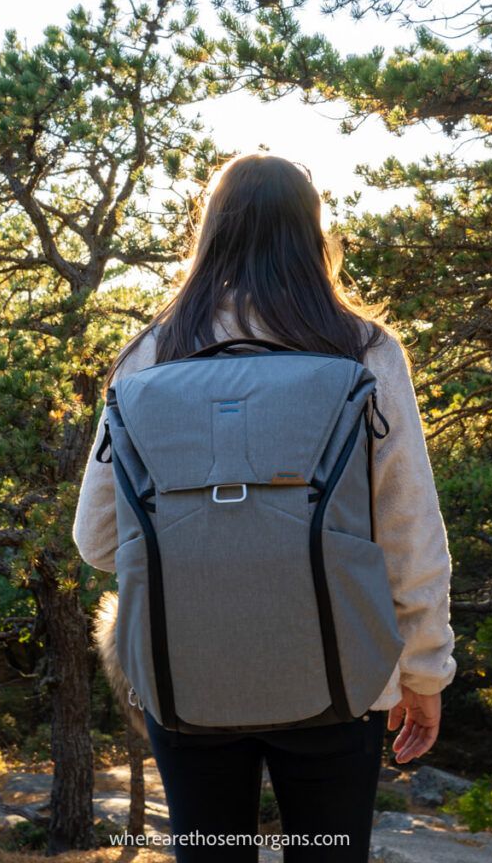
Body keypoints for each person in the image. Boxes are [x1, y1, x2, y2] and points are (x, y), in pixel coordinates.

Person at [73, 153, 457, 861]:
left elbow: (98, 540)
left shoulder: (151, 355)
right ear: (313, 235)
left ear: (210, 231)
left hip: (184, 674)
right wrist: (423, 673)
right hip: (340, 673)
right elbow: (407, 532)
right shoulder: (363, 349)